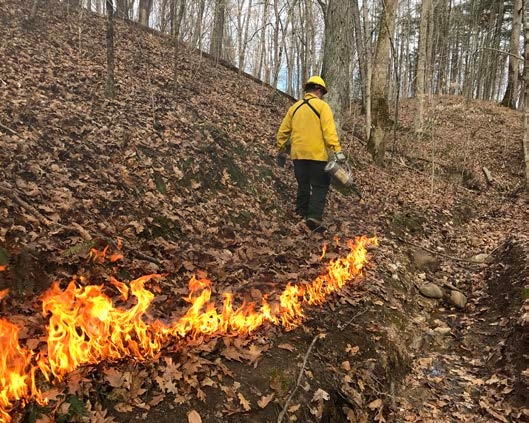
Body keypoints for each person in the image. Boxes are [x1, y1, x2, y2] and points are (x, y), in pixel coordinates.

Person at [276, 75, 346, 233]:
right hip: (316, 155)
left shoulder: (294, 108)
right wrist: (337, 150)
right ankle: (313, 217)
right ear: (319, 90)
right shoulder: (322, 107)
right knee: (320, 185)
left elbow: (283, 132)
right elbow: (329, 132)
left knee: (303, 184)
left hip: (298, 156)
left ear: (307, 89)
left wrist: (281, 148)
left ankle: (300, 213)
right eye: (322, 92)